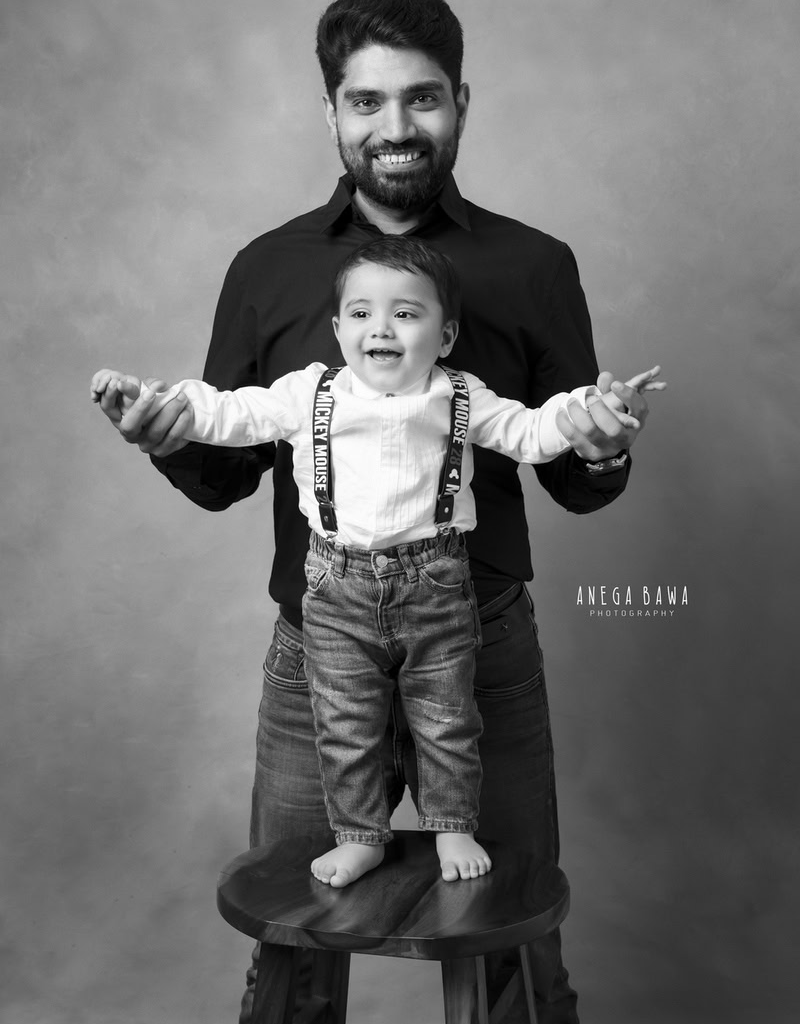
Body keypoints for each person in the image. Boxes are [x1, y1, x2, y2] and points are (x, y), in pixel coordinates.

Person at [94, 0, 658, 1024]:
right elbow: (225, 470)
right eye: (366, 101)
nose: (395, 127)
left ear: (460, 102)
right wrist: (165, 434)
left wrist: (602, 440)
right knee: (299, 936)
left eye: (422, 98)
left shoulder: (534, 266)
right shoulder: (267, 269)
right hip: (318, 641)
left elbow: (572, 474)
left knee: (511, 941)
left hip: (480, 641)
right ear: (331, 113)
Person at [91, 237, 663, 890]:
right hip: (336, 588)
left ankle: (453, 824)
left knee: (447, 718)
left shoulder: (461, 395)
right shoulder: (306, 393)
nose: (381, 328)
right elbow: (228, 411)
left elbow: (533, 430)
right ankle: (359, 835)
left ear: (445, 336)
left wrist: (596, 409)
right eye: (361, 314)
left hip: (437, 584)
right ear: (338, 330)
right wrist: (154, 400)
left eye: (406, 314)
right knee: (344, 723)